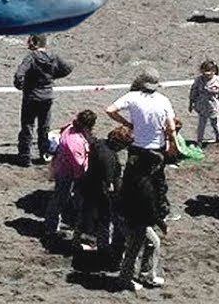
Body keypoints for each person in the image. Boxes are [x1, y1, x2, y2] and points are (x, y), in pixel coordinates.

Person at [106, 69, 175, 253]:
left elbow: (110, 110)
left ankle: (128, 211)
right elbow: (170, 127)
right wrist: (173, 144)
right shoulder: (163, 100)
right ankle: (159, 215)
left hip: (137, 147)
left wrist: (127, 123)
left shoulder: (132, 96)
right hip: (157, 148)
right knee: (157, 182)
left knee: (133, 180)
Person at [14, 34, 73, 165]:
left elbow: (19, 75)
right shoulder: (53, 57)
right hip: (47, 97)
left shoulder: (31, 57)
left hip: (31, 97)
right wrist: (52, 77)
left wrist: (21, 86)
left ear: (34, 42)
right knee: (44, 127)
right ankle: (44, 154)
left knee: (27, 126)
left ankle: (25, 156)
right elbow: (68, 68)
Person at [118, 142, 166, 291]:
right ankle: (126, 280)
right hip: (136, 222)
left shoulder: (134, 175)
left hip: (128, 218)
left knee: (151, 243)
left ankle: (146, 274)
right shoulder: (145, 185)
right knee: (133, 251)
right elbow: (148, 209)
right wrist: (161, 223)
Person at [77, 126, 130, 252]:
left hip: (87, 184)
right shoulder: (108, 157)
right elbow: (109, 181)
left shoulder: (99, 143)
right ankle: (102, 246)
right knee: (103, 219)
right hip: (99, 191)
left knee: (86, 215)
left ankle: (81, 239)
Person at [45, 110, 94, 236]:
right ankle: (51, 227)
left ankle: (54, 225)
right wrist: (82, 177)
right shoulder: (75, 142)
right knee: (61, 198)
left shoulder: (70, 128)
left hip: (62, 167)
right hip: (67, 173)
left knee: (62, 197)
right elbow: (78, 164)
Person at [188, 60, 219, 146]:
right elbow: (193, 92)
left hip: (213, 107)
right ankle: (199, 141)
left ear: (214, 71)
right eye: (204, 71)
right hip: (202, 107)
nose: (206, 74)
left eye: (208, 71)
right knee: (201, 125)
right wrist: (191, 103)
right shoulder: (198, 80)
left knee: (215, 124)